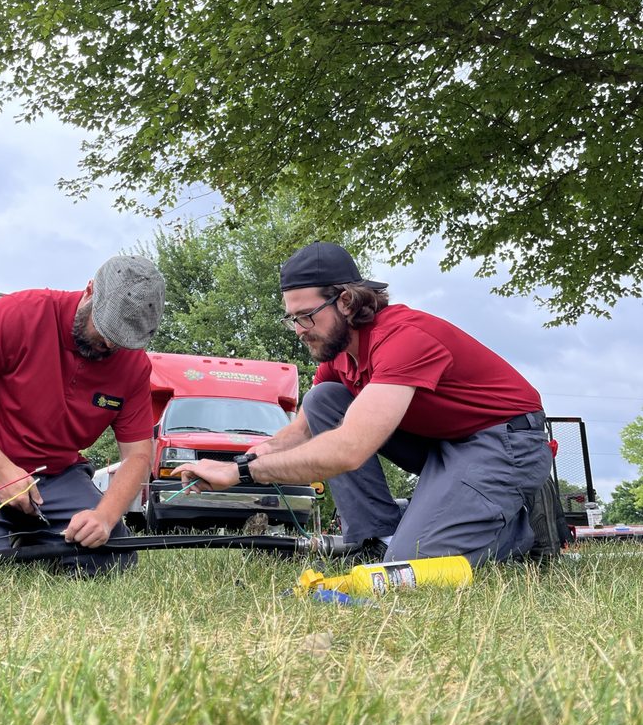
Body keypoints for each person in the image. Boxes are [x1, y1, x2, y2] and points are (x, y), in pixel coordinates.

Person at [174, 241, 553, 565]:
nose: (299, 331)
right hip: (441, 443)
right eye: (292, 319)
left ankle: (515, 528)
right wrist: (234, 464)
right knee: (325, 399)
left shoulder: (403, 338)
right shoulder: (337, 353)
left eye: (307, 317)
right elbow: (299, 432)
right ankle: (374, 539)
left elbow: (349, 450)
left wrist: (243, 476)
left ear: (347, 301)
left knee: (411, 563)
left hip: (503, 442)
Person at [0, 255, 165, 574]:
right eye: (106, 329)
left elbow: (139, 456)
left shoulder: (134, 366)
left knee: (110, 559)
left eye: (123, 341)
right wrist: (3, 471)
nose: (110, 344)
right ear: (90, 291)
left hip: (57, 476)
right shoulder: (21, 313)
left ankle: (32, 540)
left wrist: (105, 516)